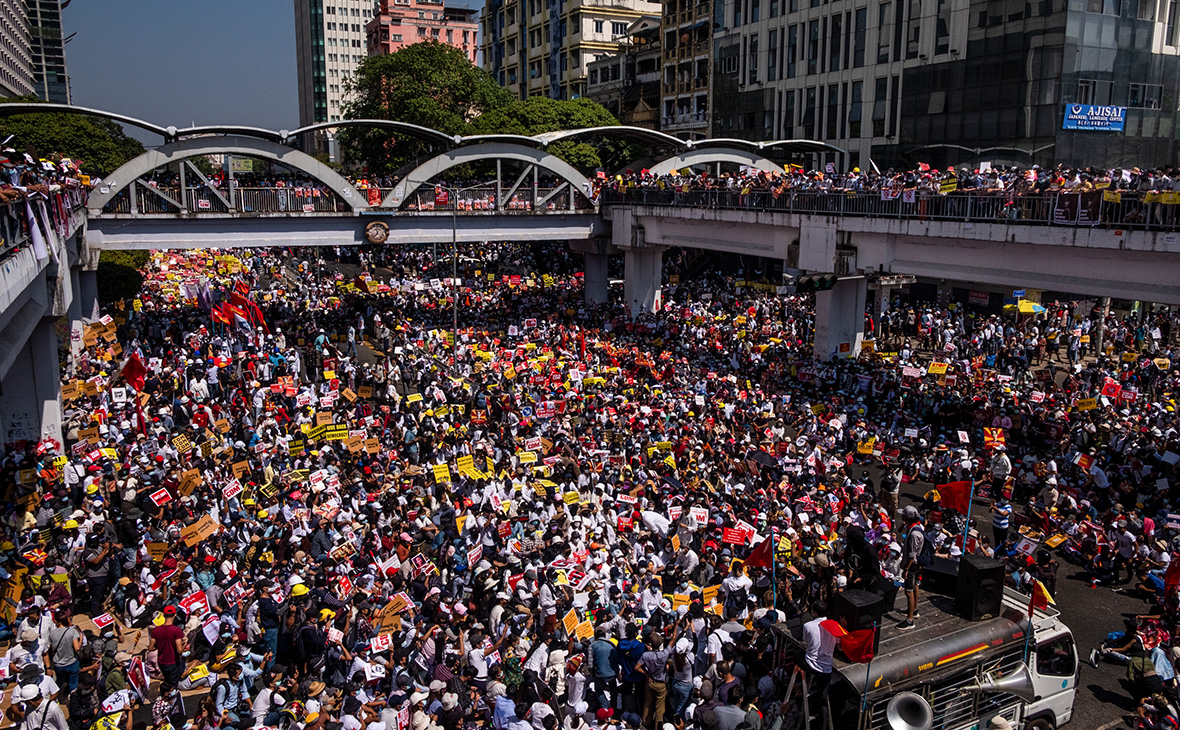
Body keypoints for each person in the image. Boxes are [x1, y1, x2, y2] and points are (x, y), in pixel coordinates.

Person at [898, 506, 925, 630]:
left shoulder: (914, 534)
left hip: (912, 564)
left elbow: (911, 554)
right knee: (915, 586)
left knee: (908, 591)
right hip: (916, 563)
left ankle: (910, 620)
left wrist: (906, 569)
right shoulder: (918, 528)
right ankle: (914, 610)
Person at [150, 605, 187, 686]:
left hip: (161, 662)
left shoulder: (156, 630)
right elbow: (179, 650)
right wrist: (185, 643)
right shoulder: (177, 630)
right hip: (173, 662)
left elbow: (151, 647)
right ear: (175, 615)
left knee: (167, 680)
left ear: (163, 615)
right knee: (172, 685)